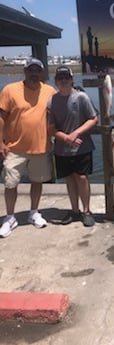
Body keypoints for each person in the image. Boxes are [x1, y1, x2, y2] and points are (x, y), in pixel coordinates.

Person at [0, 57, 57, 238]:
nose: (34, 74)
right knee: (10, 184)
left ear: (41, 72)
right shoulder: (10, 90)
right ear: (24, 71)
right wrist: (0, 142)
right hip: (14, 147)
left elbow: (61, 106)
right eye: (30, 70)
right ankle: (10, 217)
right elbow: (1, 117)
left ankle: (34, 212)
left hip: (41, 146)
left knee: (37, 181)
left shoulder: (49, 91)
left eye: (37, 70)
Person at [47, 66, 98, 227]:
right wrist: (66, 138)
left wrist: (75, 134)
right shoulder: (52, 100)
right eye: (60, 78)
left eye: (66, 78)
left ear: (71, 80)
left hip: (82, 147)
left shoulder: (81, 97)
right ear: (56, 81)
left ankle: (86, 211)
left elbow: (93, 118)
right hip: (62, 148)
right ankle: (74, 210)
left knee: (82, 178)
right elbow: (51, 128)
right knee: (69, 179)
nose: (63, 81)